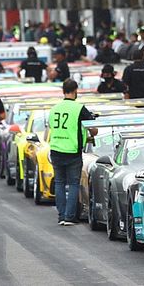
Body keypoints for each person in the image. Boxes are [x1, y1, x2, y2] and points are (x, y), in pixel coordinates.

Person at [47, 79, 98, 225]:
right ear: (75, 91)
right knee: (74, 184)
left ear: (63, 91)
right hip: (72, 151)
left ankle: (61, 215)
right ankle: (69, 217)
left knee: (59, 183)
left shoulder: (54, 109)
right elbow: (94, 130)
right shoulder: (80, 108)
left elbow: (50, 127)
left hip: (56, 149)